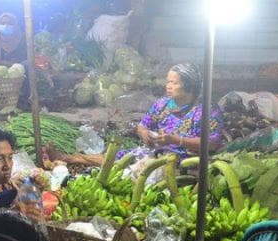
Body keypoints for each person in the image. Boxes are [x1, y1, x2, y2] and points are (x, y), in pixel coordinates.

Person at [46, 63, 224, 166]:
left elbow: (213, 143)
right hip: (154, 152)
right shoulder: (162, 104)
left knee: (125, 164)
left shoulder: (206, 110)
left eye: (173, 83)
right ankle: (68, 158)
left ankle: (69, 158)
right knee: (119, 156)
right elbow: (142, 125)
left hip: (184, 160)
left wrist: (175, 140)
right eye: (168, 81)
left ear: (189, 85)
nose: (167, 86)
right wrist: (145, 134)